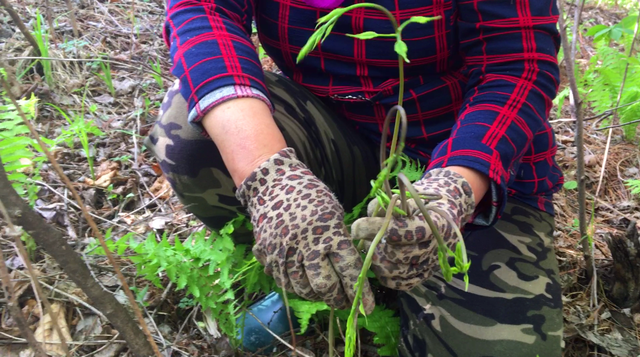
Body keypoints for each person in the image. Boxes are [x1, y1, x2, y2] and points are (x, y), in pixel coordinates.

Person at [145, 0, 564, 355]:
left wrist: (453, 193)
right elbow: (205, 12)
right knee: (187, 132)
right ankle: (312, 273)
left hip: (467, 161)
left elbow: (517, 65)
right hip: (330, 139)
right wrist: (269, 178)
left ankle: (407, 285)